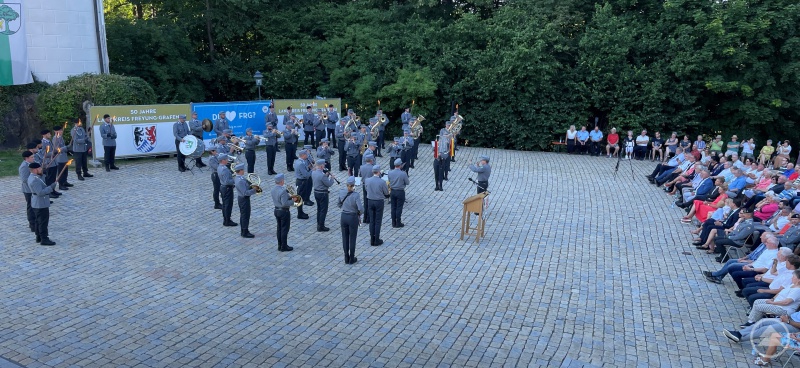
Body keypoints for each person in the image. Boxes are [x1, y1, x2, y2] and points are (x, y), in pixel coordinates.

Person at [27, 162, 57, 245]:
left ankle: (39, 237)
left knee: (38, 221)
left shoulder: (35, 177)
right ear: (35, 170)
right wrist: (51, 188)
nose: (41, 169)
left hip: (38, 202)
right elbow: (40, 192)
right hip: (40, 203)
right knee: (43, 222)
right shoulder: (34, 180)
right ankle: (44, 238)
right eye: (40, 168)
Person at [339, 176, 363, 264]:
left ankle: (346, 257)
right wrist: (359, 213)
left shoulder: (342, 192)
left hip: (344, 216)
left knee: (345, 238)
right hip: (352, 217)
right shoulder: (356, 195)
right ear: (353, 185)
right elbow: (360, 208)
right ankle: (352, 258)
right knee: (352, 238)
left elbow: (339, 204)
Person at [366, 165, 389, 246]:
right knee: (378, 221)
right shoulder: (382, 182)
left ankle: (372, 238)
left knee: (372, 220)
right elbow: (386, 192)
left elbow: (366, 189)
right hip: (379, 201)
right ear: (379, 172)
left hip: (370, 201)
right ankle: (376, 239)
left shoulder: (367, 180)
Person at [271, 173, 294, 252]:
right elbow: (285, 203)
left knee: (279, 229)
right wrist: (293, 201)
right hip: (284, 212)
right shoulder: (283, 191)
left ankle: (279, 245)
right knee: (284, 229)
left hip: (276, 210)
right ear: (281, 181)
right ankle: (284, 246)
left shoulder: (273, 189)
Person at [234, 163, 257, 238]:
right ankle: (244, 231)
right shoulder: (240, 180)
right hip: (244, 199)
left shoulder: (240, 178)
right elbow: (245, 193)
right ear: (240, 171)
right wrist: (254, 190)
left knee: (244, 215)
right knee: (245, 215)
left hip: (243, 199)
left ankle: (244, 230)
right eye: (243, 170)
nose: (244, 171)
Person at [311, 159, 335, 232]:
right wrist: (332, 178)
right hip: (323, 193)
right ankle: (321, 226)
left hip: (316, 192)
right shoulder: (322, 175)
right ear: (321, 166)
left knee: (319, 209)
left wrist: (326, 176)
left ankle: (319, 223)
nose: (324, 166)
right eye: (324, 165)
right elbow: (329, 184)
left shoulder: (314, 172)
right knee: (323, 210)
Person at [216, 154, 237, 227]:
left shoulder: (219, 167)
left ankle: (226, 219)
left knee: (225, 204)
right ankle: (227, 220)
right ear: (223, 160)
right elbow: (227, 181)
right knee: (228, 205)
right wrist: (235, 180)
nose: (227, 160)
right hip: (227, 188)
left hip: (223, 187)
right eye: (226, 159)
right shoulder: (224, 169)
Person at [388, 158, 409, 228]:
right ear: (400, 165)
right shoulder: (403, 174)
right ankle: (398, 222)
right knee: (399, 207)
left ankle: (393, 222)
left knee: (393, 207)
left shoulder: (390, 172)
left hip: (393, 191)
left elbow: (389, 180)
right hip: (400, 191)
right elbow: (407, 182)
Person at [39, 129, 60, 198]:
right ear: (44, 135)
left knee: (53, 178)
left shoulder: (48, 141)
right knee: (49, 179)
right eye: (48, 134)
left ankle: (53, 190)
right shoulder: (43, 142)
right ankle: (49, 192)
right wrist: (53, 153)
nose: (50, 135)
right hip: (48, 162)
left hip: (53, 162)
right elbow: (43, 154)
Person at [293, 150, 312, 220]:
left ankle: (301, 212)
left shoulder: (299, 161)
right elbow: (306, 175)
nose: (307, 156)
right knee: (300, 198)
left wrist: (307, 167)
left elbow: (303, 170)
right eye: (306, 155)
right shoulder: (300, 163)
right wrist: (312, 170)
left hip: (300, 181)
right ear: (303, 155)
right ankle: (300, 213)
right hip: (302, 182)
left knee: (301, 197)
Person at [20, 151, 36, 233]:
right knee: (31, 207)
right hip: (28, 190)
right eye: (32, 157)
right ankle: (32, 224)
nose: (33, 158)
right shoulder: (24, 166)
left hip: (32, 189)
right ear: (27, 158)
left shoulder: (30, 164)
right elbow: (24, 179)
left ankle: (34, 222)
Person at [52, 126, 72, 190]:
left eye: (61, 130)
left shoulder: (61, 137)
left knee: (65, 170)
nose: (61, 131)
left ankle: (65, 181)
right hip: (59, 157)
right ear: (55, 131)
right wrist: (66, 147)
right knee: (61, 171)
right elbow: (57, 149)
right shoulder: (55, 139)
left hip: (64, 156)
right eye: (60, 130)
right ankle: (61, 184)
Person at [360, 155, 375, 224]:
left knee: (365, 202)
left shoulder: (362, 167)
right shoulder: (372, 168)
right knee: (370, 201)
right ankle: (368, 218)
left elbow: (360, 175)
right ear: (371, 160)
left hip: (364, 184)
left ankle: (364, 218)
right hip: (371, 186)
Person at [207, 145, 222, 209]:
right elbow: (216, 167)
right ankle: (216, 204)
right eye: (215, 150)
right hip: (215, 175)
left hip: (218, 174)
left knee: (219, 189)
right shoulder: (211, 159)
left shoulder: (215, 156)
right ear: (212, 152)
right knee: (216, 190)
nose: (216, 151)